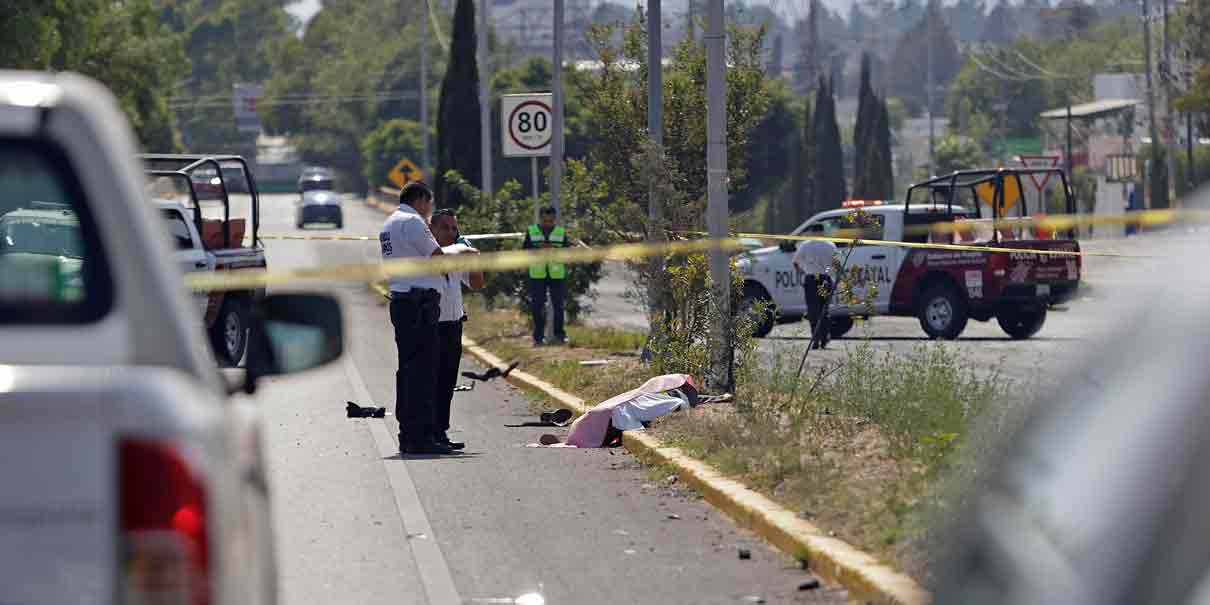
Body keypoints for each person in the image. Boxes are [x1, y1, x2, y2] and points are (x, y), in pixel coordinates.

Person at [379, 181, 472, 455]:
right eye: (429, 203)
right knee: (423, 373)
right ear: (420, 199)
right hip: (419, 303)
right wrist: (461, 250)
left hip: (403, 300)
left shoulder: (389, 223)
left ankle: (411, 434)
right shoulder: (413, 222)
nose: (429, 209)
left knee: (409, 371)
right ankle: (421, 435)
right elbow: (437, 257)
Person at [429, 208, 485, 451]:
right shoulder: (427, 254)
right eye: (445, 227)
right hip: (431, 327)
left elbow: (476, 284)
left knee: (447, 382)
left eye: (454, 228)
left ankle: (440, 432)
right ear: (432, 230)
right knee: (430, 381)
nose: (451, 232)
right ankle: (426, 432)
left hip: (453, 325)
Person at [523, 206, 571, 346]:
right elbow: (525, 250)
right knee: (537, 306)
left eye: (550, 220)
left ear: (554, 219)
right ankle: (538, 337)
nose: (547, 223)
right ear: (540, 218)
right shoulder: (532, 231)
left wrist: (556, 250)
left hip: (556, 274)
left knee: (559, 306)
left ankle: (560, 335)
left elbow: (567, 251)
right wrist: (539, 249)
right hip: (537, 274)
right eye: (545, 220)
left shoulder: (560, 232)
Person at [792, 224, 838, 350]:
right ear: (823, 232)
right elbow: (837, 264)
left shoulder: (806, 245)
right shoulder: (830, 245)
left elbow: (795, 262)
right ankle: (824, 337)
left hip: (811, 279)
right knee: (824, 309)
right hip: (825, 279)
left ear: (812, 232)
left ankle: (815, 338)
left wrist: (802, 272)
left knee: (813, 311)